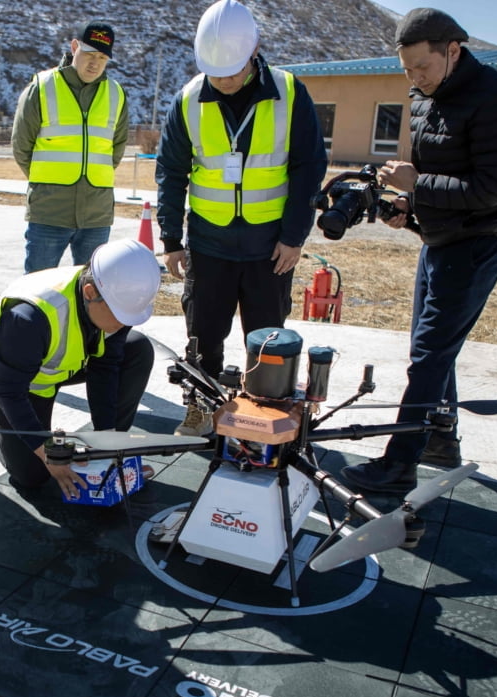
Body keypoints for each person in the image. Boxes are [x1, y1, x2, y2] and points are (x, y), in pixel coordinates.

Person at [340, 8, 497, 493]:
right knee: (431, 351)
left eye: (421, 68)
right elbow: (445, 174)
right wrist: (410, 205)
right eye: (406, 70)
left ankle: (397, 466)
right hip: (440, 238)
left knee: (428, 357)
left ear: (453, 50)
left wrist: (417, 182)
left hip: (478, 243)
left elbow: (490, 189)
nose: (413, 79)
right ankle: (441, 441)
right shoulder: (426, 94)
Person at [156, 0, 327, 436]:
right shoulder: (189, 100)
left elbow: (309, 167)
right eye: (215, 72)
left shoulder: (290, 93)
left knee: (267, 342)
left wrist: (294, 236)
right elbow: (171, 172)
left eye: (231, 70)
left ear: (254, 53)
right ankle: (199, 406)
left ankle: (264, 417)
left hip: (270, 248)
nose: (223, 80)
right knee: (202, 336)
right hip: (209, 245)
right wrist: (172, 238)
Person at [0, 239, 160, 498]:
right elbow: (8, 391)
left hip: (65, 363)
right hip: (12, 378)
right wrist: (46, 451)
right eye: (119, 315)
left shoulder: (117, 304)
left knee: (137, 348)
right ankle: (9, 444)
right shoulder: (28, 318)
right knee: (32, 475)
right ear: (90, 293)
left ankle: (112, 445)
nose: (123, 323)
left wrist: (107, 441)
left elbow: (104, 368)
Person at [12, 20, 129, 274]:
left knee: (90, 294)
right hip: (49, 214)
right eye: (88, 53)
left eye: (102, 57)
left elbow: (115, 150)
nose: (94, 63)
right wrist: (47, 186)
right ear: (74, 47)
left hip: (96, 217)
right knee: (36, 289)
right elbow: (21, 146)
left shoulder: (116, 94)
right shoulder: (42, 87)